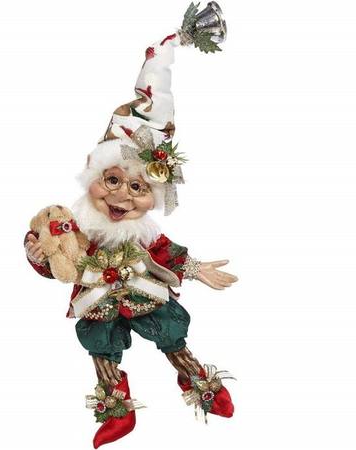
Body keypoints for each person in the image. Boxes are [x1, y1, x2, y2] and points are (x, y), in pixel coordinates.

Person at [24, 5, 236, 448]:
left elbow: (165, 251)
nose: (122, 196)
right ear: (93, 175)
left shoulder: (142, 234)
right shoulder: (75, 225)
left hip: (144, 293)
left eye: (137, 187)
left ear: (153, 196)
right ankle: (116, 408)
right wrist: (37, 254)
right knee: (101, 346)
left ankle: (197, 381)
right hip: (97, 301)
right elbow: (59, 261)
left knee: (171, 335)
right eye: (112, 181)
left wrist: (195, 269)